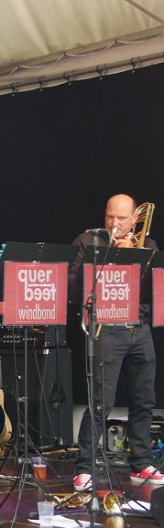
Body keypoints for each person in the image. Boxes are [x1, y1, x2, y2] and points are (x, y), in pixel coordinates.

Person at [70, 194, 163, 492]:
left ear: (135, 219)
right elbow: (73, 284)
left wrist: (135, 256)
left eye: (122, 218)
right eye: (110, 216)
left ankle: (141, 463)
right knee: (101, 401)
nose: (114, 223)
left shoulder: (147, 246)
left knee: (143, 399)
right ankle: (84, 467)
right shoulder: (88, 241)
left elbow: (153, 287)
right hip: (106, 328)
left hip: (139, 328)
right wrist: (110, 257)